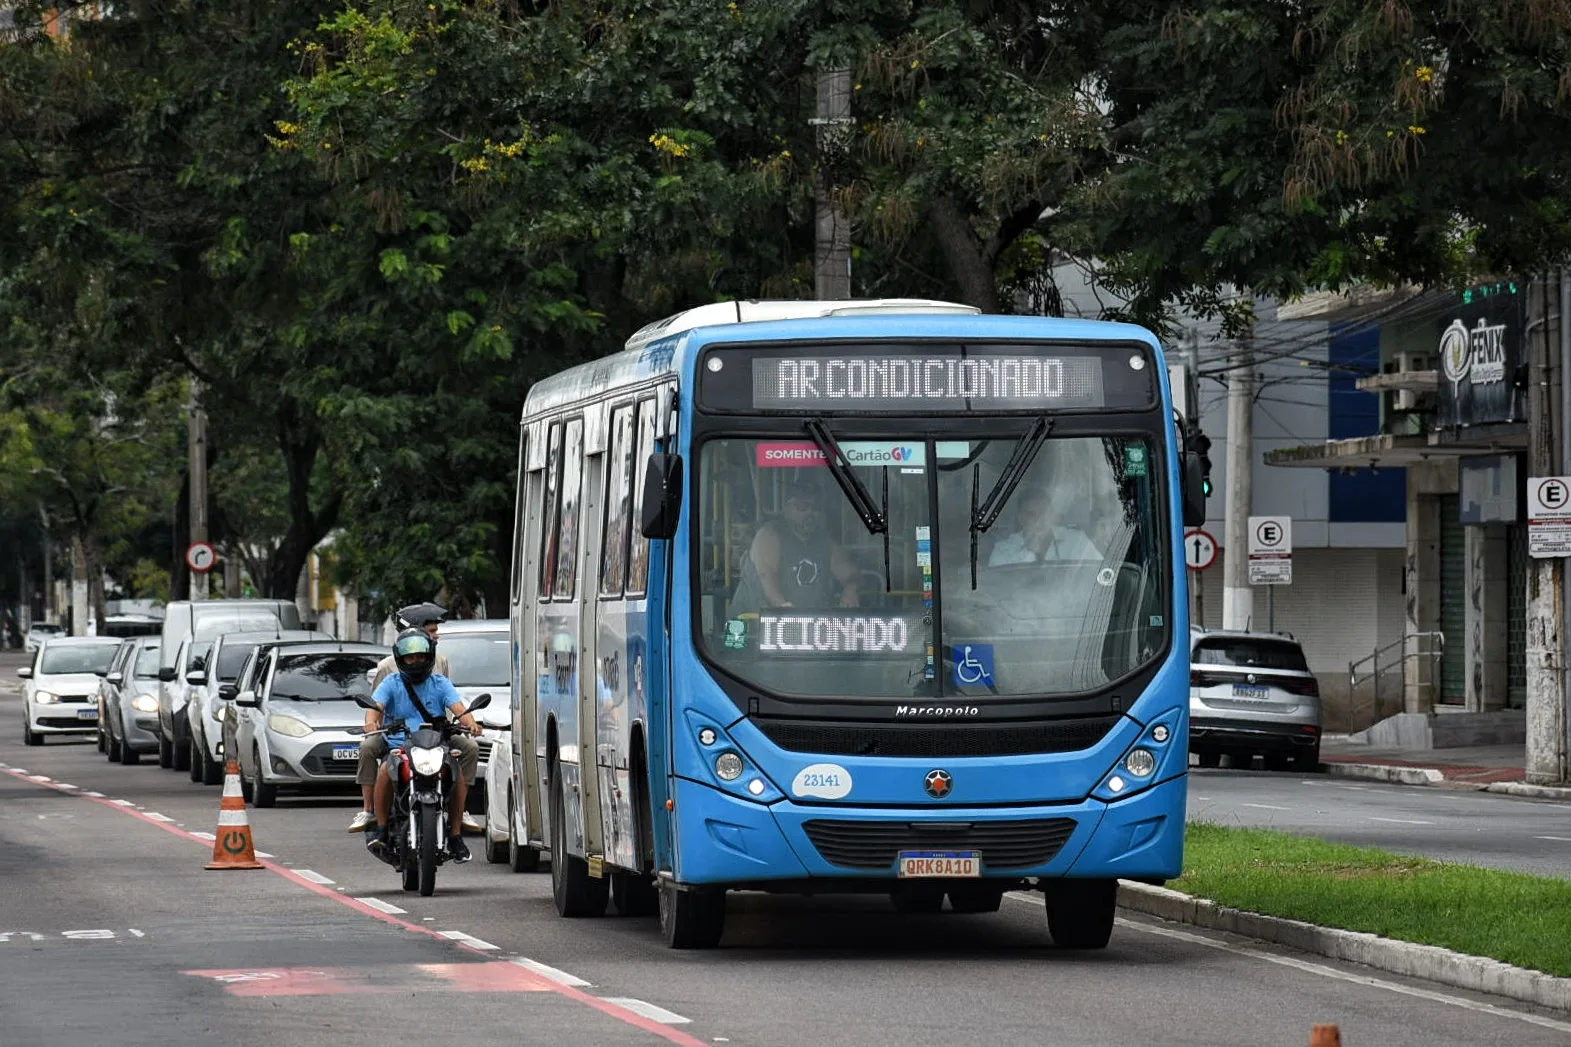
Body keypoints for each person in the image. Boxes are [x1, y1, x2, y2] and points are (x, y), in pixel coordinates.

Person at [364, 628, 482, 862]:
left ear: (429, 657)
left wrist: (471, 723)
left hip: (437, 744)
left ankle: (456, 834)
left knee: (458, 768)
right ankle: (381, 828)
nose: (416, 662)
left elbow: (459, 709)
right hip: (401, 745)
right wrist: (370, 723)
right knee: (384, 771)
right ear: (401, 659)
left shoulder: (439, 682)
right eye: (410, 657)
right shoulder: (391, 682)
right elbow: (375, 708)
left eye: (420, 656)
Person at [348, 603, 455, 833]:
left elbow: (451, 701)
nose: (437, 635)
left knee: (467, 749)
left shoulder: (441, 663)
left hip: (435, 734)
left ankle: (458, 815)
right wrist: (372, 723)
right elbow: (376, 704)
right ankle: (369, 811)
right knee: (369, 748)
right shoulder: (388, 669)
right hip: (396, 734)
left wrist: (465, 725)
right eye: (432, 630)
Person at [727, 478, 861, 616]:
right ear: (786, 509)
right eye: (802, 507)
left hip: (802, 626)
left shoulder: (825, 542)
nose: (810, 513)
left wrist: (851, 589)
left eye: (815, 509)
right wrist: (784, 607)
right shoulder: (769, 536)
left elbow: (850, 573)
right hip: (753, 625)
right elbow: (767, 580)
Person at [987, 484, 1101, 566]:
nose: (1039, 519)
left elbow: (1099, 573)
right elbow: (996, 590)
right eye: (1031, 514)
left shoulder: (1077, 541)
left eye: (1044, 512)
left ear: (1052, 514)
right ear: (1020, 518)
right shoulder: (1003, 551)